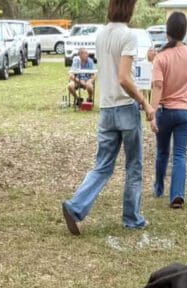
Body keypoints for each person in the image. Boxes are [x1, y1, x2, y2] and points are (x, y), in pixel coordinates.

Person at [61, 0, 154, 235]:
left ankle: (76, 206)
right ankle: (131, 218)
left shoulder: (101, 35)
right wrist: (144, 102)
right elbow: (124, 77)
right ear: (130, 8)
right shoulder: (129, 36)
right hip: (125, 108)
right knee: (133, 166)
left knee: (102, 166)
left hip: (106, 110)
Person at [150, 12, 187, 210]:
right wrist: (186, 97)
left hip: (165, 111)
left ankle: (159, 188)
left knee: (162, 152)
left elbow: (157, 87)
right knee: (180, 155)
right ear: (185, 31)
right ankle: (177, 194)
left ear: (167, 31)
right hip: (185, 112)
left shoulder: (161, 57)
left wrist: (152, 113)